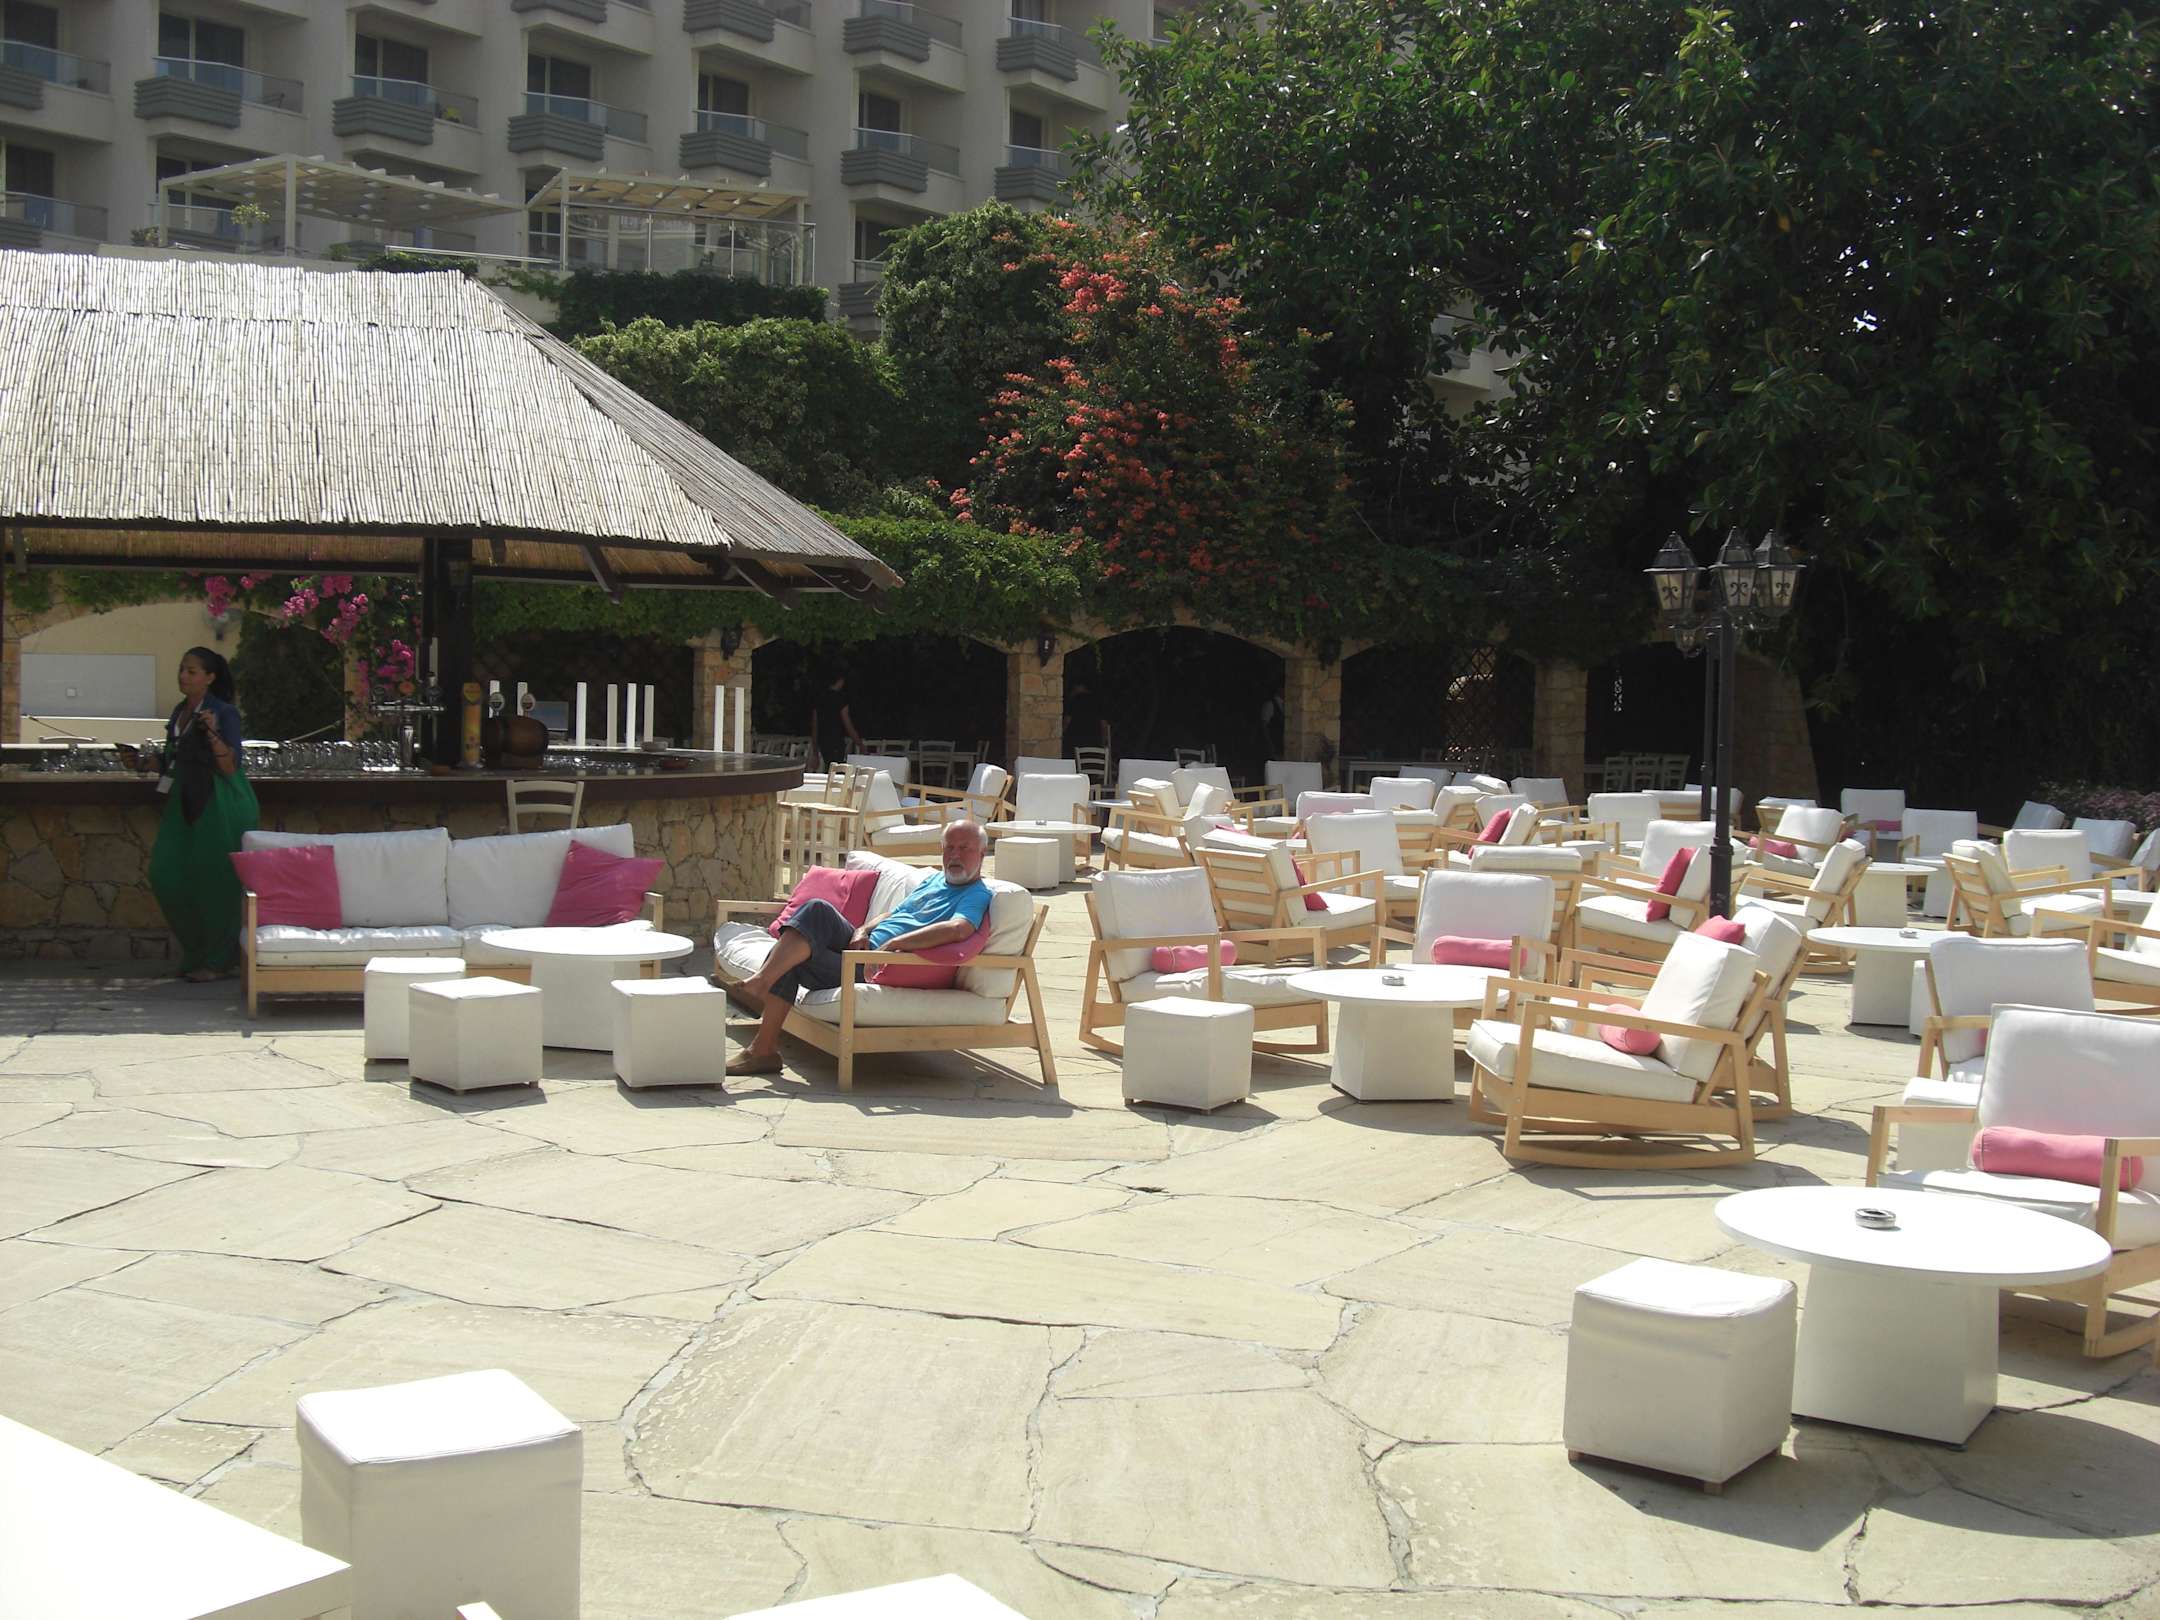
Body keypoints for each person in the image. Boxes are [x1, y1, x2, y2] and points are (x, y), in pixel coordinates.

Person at [721, 820, 992, 1075]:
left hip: (876, 965)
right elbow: (892, 914)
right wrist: (863, 929)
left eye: (964, 848)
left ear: (981, 853)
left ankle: (762, 1042)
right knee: (816, 910)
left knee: (792, 956)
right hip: (864, 946)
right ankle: (760, 998)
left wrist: (894, 944)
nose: (955, 855)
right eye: (949, 847)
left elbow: (959, 929)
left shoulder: (976, 893)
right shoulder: (934, 881)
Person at [118, 646, 260, 982]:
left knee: (216, 879)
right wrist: (143, 762)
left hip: (220, 800)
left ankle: (218, 960)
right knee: (166, 873)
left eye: (192, 671)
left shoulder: (223, 712)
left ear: (209, 678)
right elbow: (176, 759)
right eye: (182, 669)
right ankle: (197, 952)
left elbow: (230, 766)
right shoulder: (179, 712)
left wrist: (212, 732)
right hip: (182, 799)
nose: (183, 676)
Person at [812, 670, 864, 770]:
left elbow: (815, 726)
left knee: (829, 768)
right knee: (836, 769)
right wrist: (859, 743)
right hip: (836, 740)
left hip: (823, 741)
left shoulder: (819, 698)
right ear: (840, 681)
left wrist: (815, 751)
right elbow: (847, 724)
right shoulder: (840, 698)